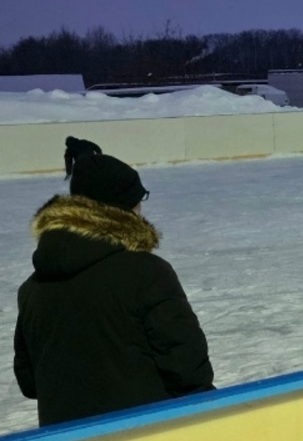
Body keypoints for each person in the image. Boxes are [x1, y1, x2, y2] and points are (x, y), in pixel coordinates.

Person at [14, 154, 214, 426]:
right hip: (144, 436)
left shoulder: (33, 289)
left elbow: (30, 382)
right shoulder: (147, 273)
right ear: (125, 208)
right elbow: (188, 370)